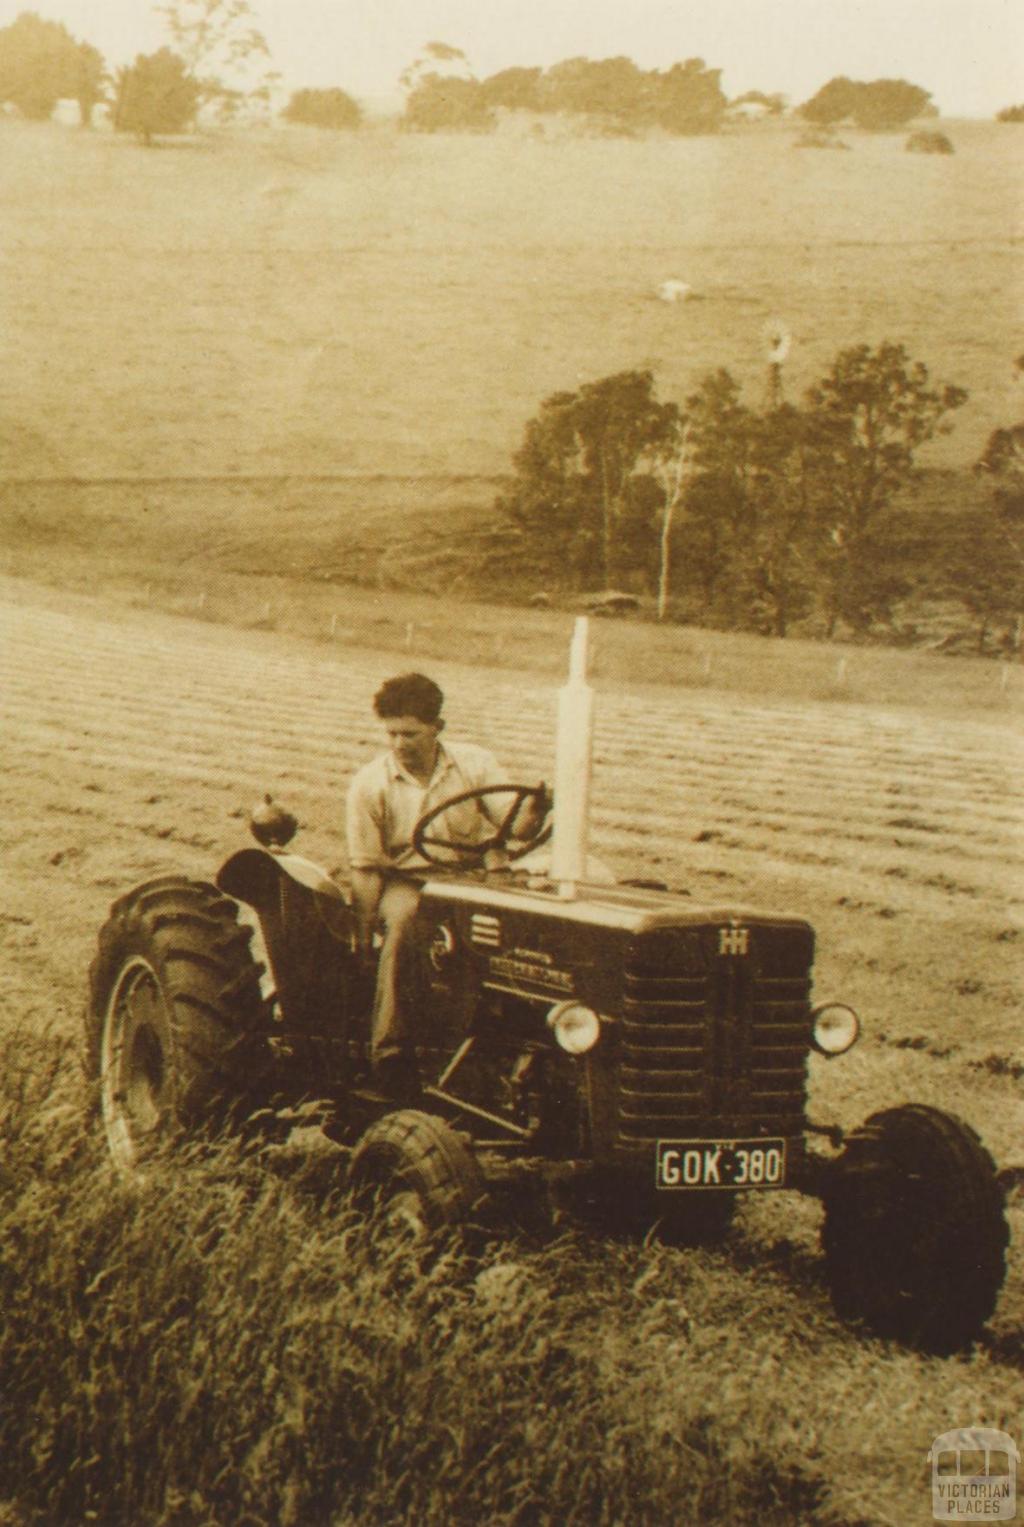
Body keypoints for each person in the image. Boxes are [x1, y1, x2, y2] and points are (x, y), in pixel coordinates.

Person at [346, 672, 546, 1099]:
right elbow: (366, 867)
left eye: (411, 734)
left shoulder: (474, 764)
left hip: (472, 876)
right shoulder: (370, 784)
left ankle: (517, 1044)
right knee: (403, 925)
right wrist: (363, 932)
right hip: (411, 881)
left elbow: (515, 823)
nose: (400, 744)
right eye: (392, 733)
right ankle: (391, 1052)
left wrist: (533, 812)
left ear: (438, 728)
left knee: (530, 927)